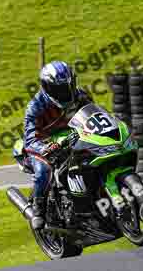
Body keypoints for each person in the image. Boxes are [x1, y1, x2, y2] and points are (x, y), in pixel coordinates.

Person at [23, 61, 93, 230]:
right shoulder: (35, 106)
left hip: (73, 135)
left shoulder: (81, 96)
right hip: (44, 142)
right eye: (61, 89)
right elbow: (30, 139)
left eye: (69, 86)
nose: (67, 92)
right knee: (43, 171)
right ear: (47, 88)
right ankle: (39, 209)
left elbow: (93, 116)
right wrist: (45, 148)